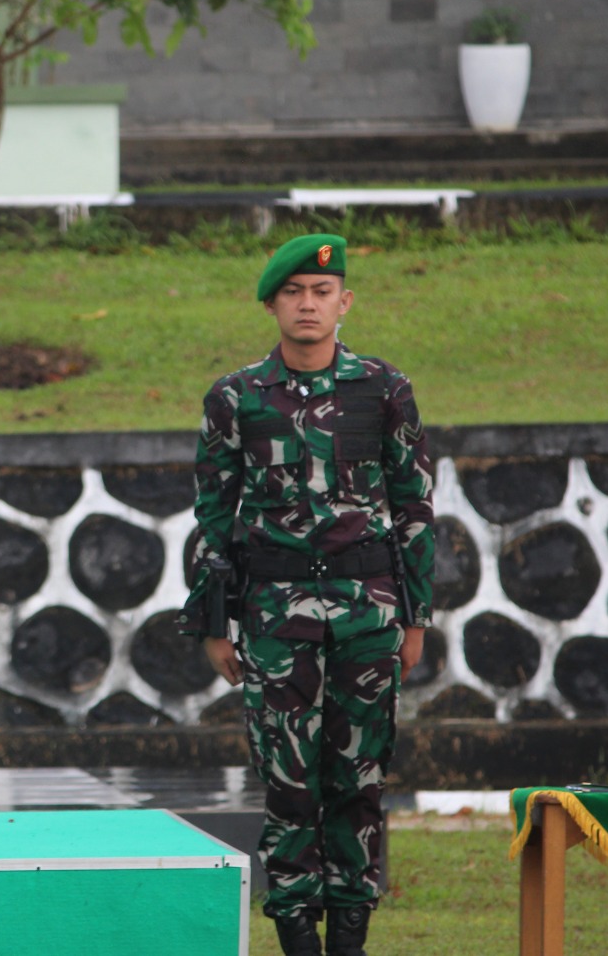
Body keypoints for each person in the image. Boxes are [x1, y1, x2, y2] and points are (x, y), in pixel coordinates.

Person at [180, 234, 434, 956]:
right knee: (288, 784)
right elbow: (211, 515)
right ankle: (296, 934)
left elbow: (414, 508)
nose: (308, 304)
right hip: (273, 618)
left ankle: (351, 936)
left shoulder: (385, 390)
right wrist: (212, 623)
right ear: (272, 305)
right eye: (293, 293)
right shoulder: (235, 398)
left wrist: (415, 617)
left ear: (343, 301)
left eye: (321, 293)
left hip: (369, 614)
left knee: (358, 783)